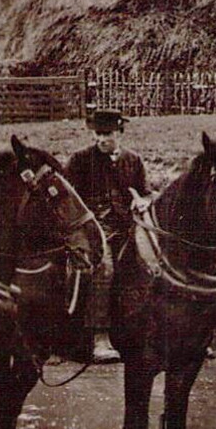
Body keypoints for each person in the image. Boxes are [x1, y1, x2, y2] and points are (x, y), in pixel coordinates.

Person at [65, 109, 150, 363]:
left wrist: (142, 201)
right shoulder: (80, 160)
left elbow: (144, 192)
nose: (102, 139)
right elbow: (68, 199)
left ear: (119, 133)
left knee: (152, 260)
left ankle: (152, 327)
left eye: (108, 134)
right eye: (98, 134)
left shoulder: (133, 160)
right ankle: (99, 336)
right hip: (91, 227)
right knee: (104, 267)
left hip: (126, 225)